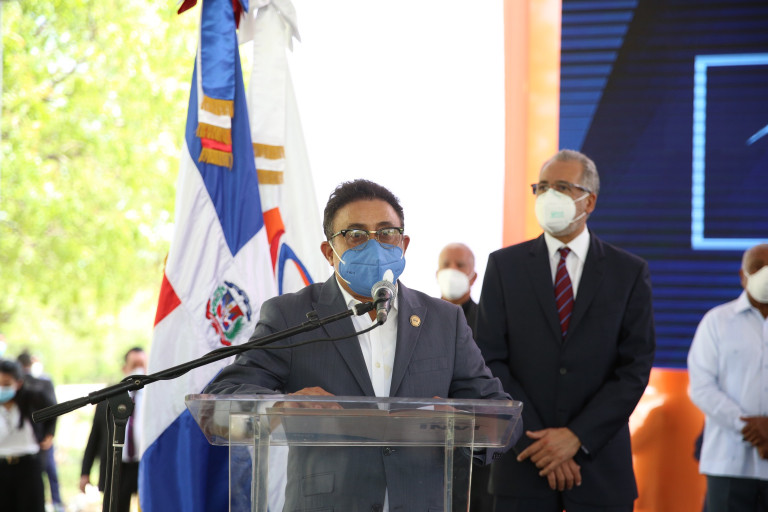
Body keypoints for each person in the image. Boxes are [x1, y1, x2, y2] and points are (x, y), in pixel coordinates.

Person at [205, 179, 518, 511]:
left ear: (403, 244)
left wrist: (461, 422)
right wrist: (280, 407)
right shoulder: (291, 315)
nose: (374, 245)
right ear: (329, 252)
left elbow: (501, 415)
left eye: (386, 233)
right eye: (355, 235)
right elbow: (221, 400)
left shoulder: (444, 320)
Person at [475, 149, 656, 511]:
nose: (548, 196)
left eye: (561, 187)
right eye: (541, 187)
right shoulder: (504, 267)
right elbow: (489, 362)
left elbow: (633, 369)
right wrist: (539, 443)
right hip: (523, 465)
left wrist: (576, 437)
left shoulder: (628, 272)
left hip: (600, 468)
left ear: (589, 201)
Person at [687, 243, 768, 511]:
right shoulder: (717, 321)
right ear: (743, 275)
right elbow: (701, 386)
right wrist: (749, 427)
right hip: (728, 463)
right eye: (758, 267)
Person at [80, 347, 147, 512]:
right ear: (125, 368)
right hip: (116, 465)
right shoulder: (109, 398)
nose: (139, 369)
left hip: (144, 464)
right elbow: (95, 436)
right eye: (134, 365)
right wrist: (85, 472)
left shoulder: (153, 397)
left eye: (142, 364)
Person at [0, 358, 57, 512]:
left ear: (18, 383)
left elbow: (53, 411)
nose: (1, 388)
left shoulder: (32, 399)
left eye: (6, 384)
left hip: (28, 465)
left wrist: (49, 434)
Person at [17, 350, 64, 512]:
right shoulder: (15, 386)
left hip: (41, 437)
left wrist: (49, 434)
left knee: (47, 471)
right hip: (26, 440)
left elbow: (54, 409)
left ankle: (56, 502)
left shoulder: (41, 384)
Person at [436, 242, 479, 338]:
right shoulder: (423, 318)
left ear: (473, 278)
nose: (452, 270)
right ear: (437, 275)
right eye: (446, 265)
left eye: (460, 265)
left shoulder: (486, 321)